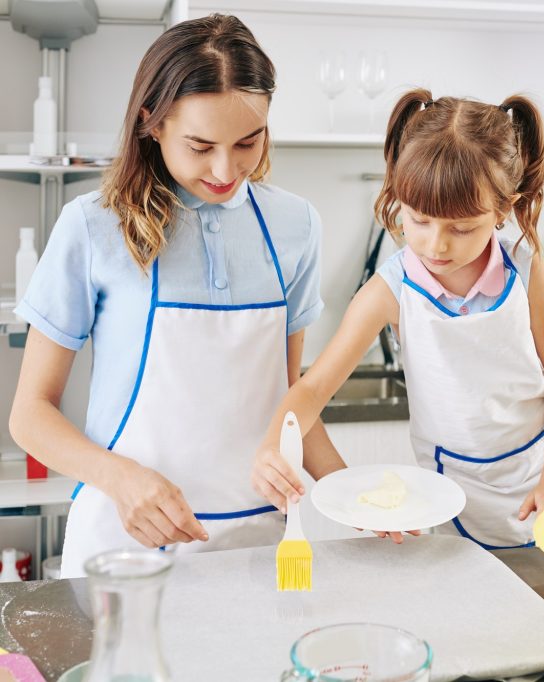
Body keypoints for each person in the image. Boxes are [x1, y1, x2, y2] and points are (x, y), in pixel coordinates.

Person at [8, 14, 342, 578]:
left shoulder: (295, 225)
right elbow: (29, 415)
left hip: (262, 542)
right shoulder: (93, 227)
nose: (225, 168)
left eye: (247, 142)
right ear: (152, 123)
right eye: (201, 145)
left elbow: (291, 403)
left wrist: (353, 496)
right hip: (127, 542)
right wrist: (119, 477)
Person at [252, 89, 544, 549]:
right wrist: (274, 445)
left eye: (462, 227)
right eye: (419, 220)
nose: (435, 245)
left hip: (540, 483)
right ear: (398, 200)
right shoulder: (388, 291)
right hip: (451, 498)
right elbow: (311, 389)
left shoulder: (528, 274)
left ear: (503, 209)